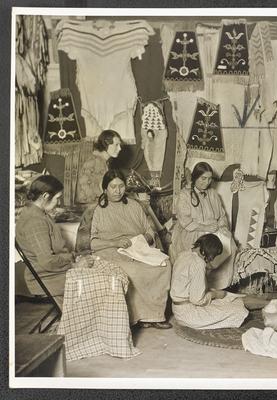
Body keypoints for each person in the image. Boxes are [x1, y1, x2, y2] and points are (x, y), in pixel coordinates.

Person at [90, 170, 172, 329]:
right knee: (134, 270)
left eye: (121, 186)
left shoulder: (134, 205)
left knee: (164, 265)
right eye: (112, 187)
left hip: (137, 247)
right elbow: (93, 243)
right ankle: (138, 316)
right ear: (105, 189)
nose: (117, 191)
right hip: (111, 250)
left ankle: (154, 315)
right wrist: (115, 243)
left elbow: (149, 231)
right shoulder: (99, 210)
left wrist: (142, 240)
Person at [16, 175, 94, 304]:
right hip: (46, 279)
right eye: (58, 198)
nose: (58, 202)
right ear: (45, 196)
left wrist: (75, 257)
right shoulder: (35, 221)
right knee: (104, 280)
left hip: (52, 273)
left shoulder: (37, 213)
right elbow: (47, 261)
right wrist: (74, 264)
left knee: (100, 268)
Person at [171, 162, 236, 289]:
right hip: (194, 231)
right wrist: (205, 228)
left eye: (209, 178)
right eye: (203, 178)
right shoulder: (184, 195)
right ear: (195, 177)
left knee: (230, 245)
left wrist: (221, 227)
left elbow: (222, 216)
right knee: (206, 247)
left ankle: (217, 285)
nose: (206, 182)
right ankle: (199, 284)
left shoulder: (213, 194)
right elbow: (185, 221)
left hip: (214, 229)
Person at [170, 234, 249, 329]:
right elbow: (197, 300)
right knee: (239, 310)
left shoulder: (184, 254)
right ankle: (267, 303)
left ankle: (266, 303)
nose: (211, 259)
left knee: (228, 300)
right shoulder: (198, 263)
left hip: (177, 309)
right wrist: (215, 295)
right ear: (205, 251)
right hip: (188, 314)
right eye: (213, 256)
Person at [76, 130, 123, 205]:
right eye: (116, 145)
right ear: (106, 144)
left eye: (120, 145)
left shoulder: (101, 160)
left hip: (96, 202)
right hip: (91, 206)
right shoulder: (97, 161)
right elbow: (96, 191)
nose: (120, 148)